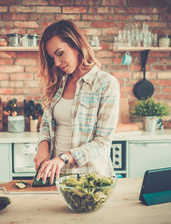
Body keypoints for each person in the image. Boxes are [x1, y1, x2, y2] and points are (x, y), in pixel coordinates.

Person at [34, 20, 120, 185]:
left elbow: (102, 141)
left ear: (76, 45)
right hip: (54, 176)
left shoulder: (105, 84)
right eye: (52, 58)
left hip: (89, 180)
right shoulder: (58, 83)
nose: (57, 63)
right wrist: (43, 145)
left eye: (60, 53)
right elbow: (46, 122)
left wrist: (64, 158)